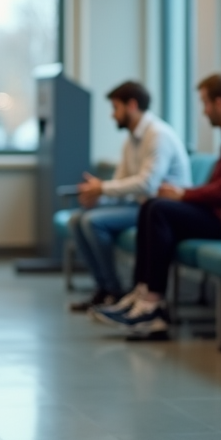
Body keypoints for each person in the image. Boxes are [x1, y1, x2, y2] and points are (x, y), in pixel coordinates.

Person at [92, 73, 221, 339]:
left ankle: (152, 305)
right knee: (154, 205)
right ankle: (143, 293)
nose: (203, 112)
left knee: (159, 209)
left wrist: (183, 195)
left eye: (205, 103)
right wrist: (182, 194)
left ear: (220, 103)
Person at [68, 81, 190, 313]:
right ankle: (103, 288)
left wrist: (102, 188)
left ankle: (114, 290)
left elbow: (147, 183)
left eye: (115, 108)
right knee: (77, 219)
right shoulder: (132, 139)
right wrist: (98, 197)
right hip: (139, 206)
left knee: (93, 222)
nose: (113, 116)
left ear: (132, 105)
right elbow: (121, 181)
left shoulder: (158, 135)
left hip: (160, 212)